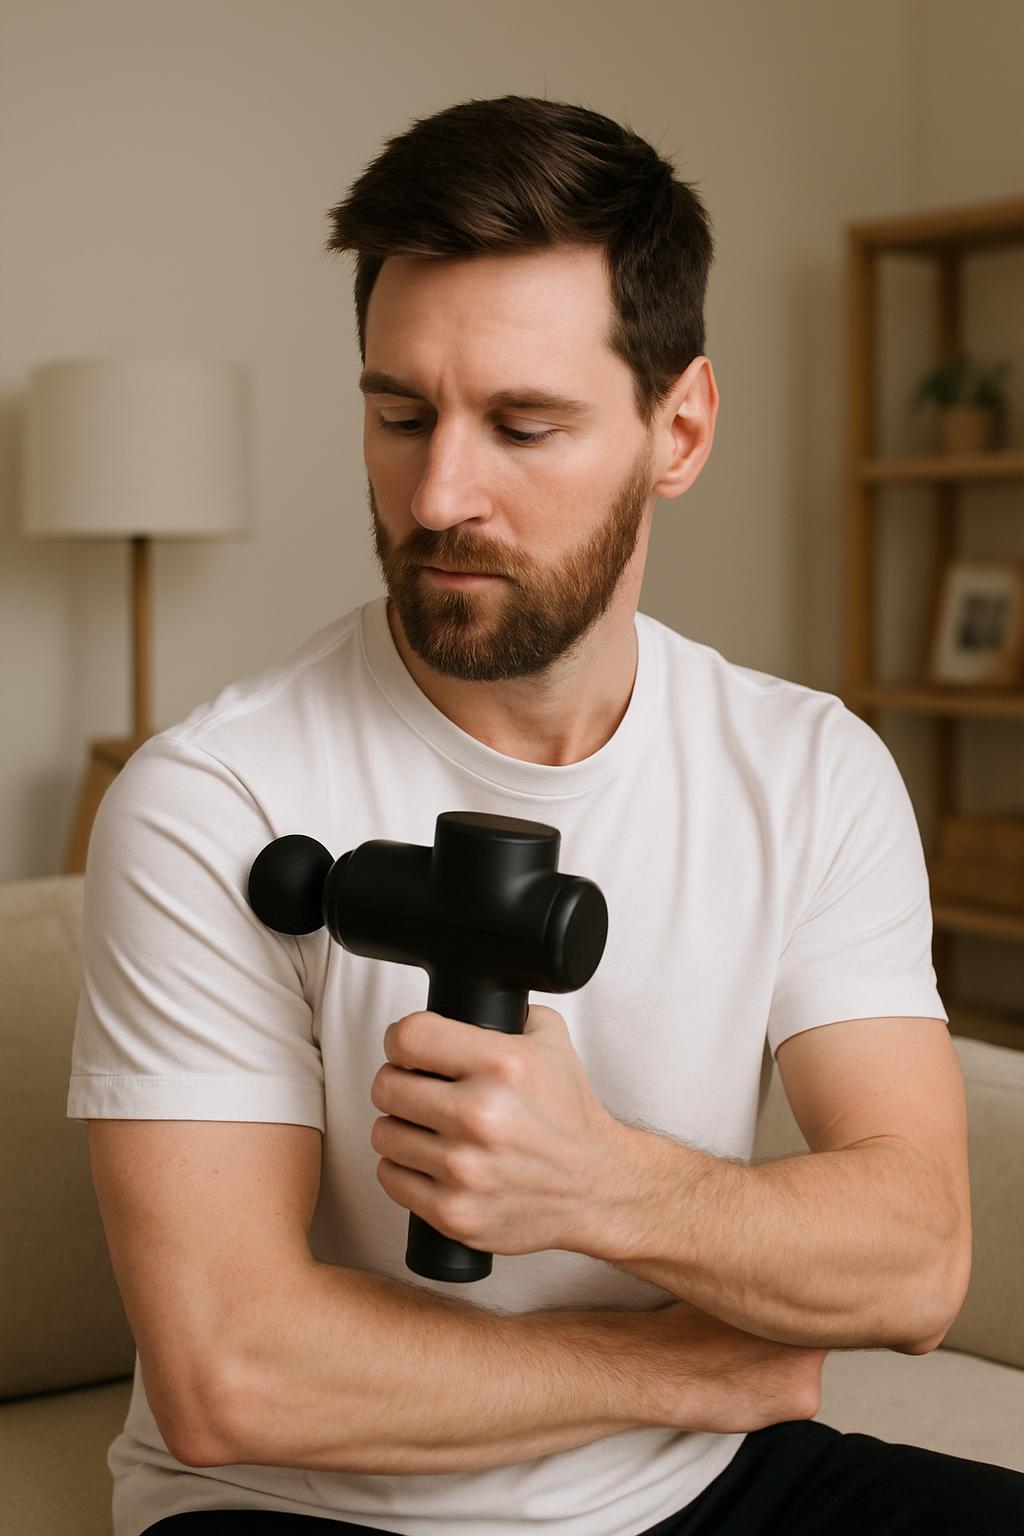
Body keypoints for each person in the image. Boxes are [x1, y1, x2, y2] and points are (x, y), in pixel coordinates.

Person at [67, 95, 1023, 1536]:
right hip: (298, 1511)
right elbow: (232, 1376)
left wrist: (599, 1184)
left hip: (698, 1490)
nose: (439, 493)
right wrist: (687, 1371)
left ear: (678, 428)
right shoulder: (211, 799)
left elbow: (918, 1260)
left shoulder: (810, 771)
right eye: (399, 416)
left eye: (524, 424)